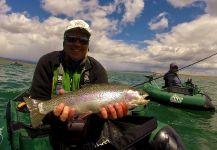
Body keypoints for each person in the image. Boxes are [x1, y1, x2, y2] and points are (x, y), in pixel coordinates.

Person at [30, 19, 128, 148]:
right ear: (63, 41)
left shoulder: (98, 70)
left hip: (88, 132)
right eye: (71, 38)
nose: (77, 44)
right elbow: (38, 100)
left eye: (83, 40)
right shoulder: (47, 62)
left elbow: (100, 116)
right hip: (56, 127)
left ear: (88, 45)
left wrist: (103, 115)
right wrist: (56, 116)